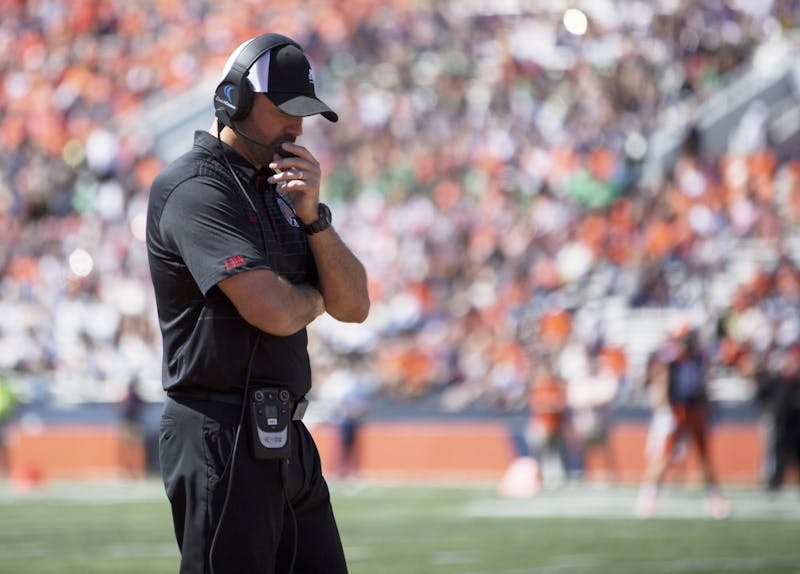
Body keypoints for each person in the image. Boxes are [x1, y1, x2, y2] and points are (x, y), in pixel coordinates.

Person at [146, 33, 370, 574]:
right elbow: (273, 310)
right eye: (285, 111)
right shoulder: (195, 189)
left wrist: (314, 216)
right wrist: (316, 296)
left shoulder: (285, 190)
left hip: (285, 432)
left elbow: (356, 304)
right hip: (218, 433)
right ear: (235, 101)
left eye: (305, 113)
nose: (298, 127)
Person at [636, 326, 728, 519]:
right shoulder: (670, 356)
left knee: (704, 455)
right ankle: (649, 495)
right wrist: (663, 406)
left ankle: (713, 497)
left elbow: (704, 382)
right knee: (664, 455)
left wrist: (707, 405)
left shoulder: (699, 356)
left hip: (694, 407)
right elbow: (657, 377)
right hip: (675, 408)